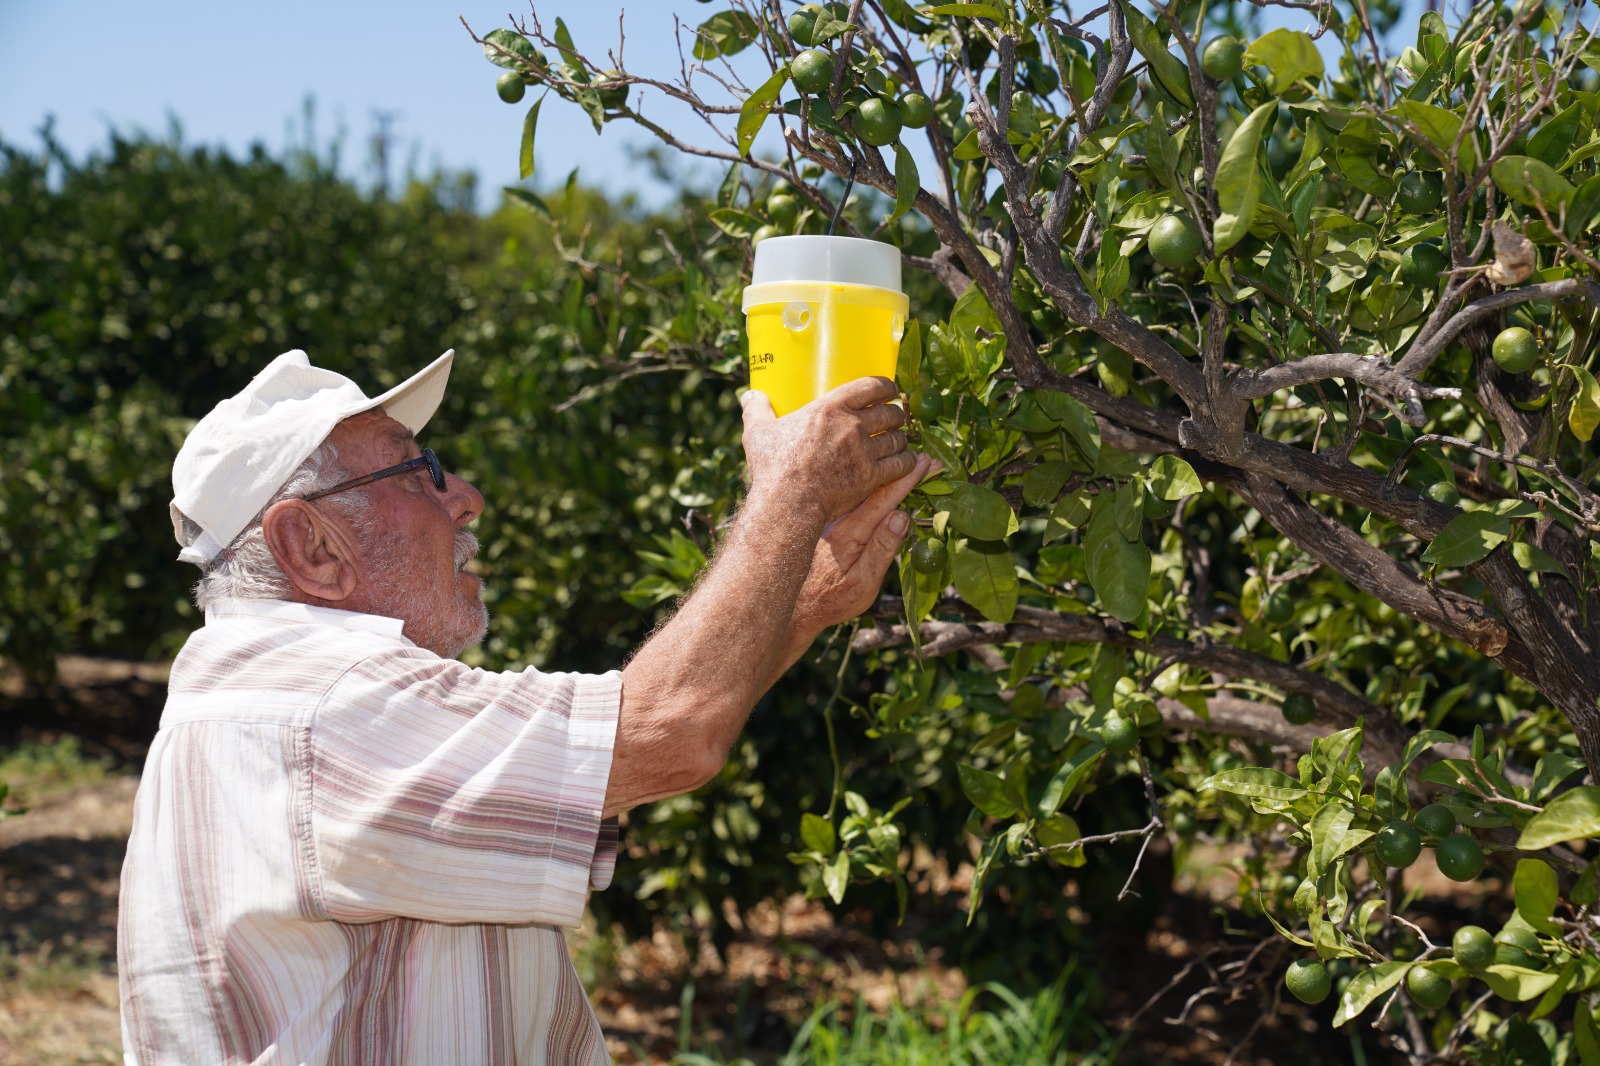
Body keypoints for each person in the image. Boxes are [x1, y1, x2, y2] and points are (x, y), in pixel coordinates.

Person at [117, 347, 928, 1065]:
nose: (464, 495)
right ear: (310, 548)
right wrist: (787, 493)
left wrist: (809, 599)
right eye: (416, 469)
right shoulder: (325, 707)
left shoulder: (267, 693)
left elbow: (633, 755)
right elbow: (669, 732)